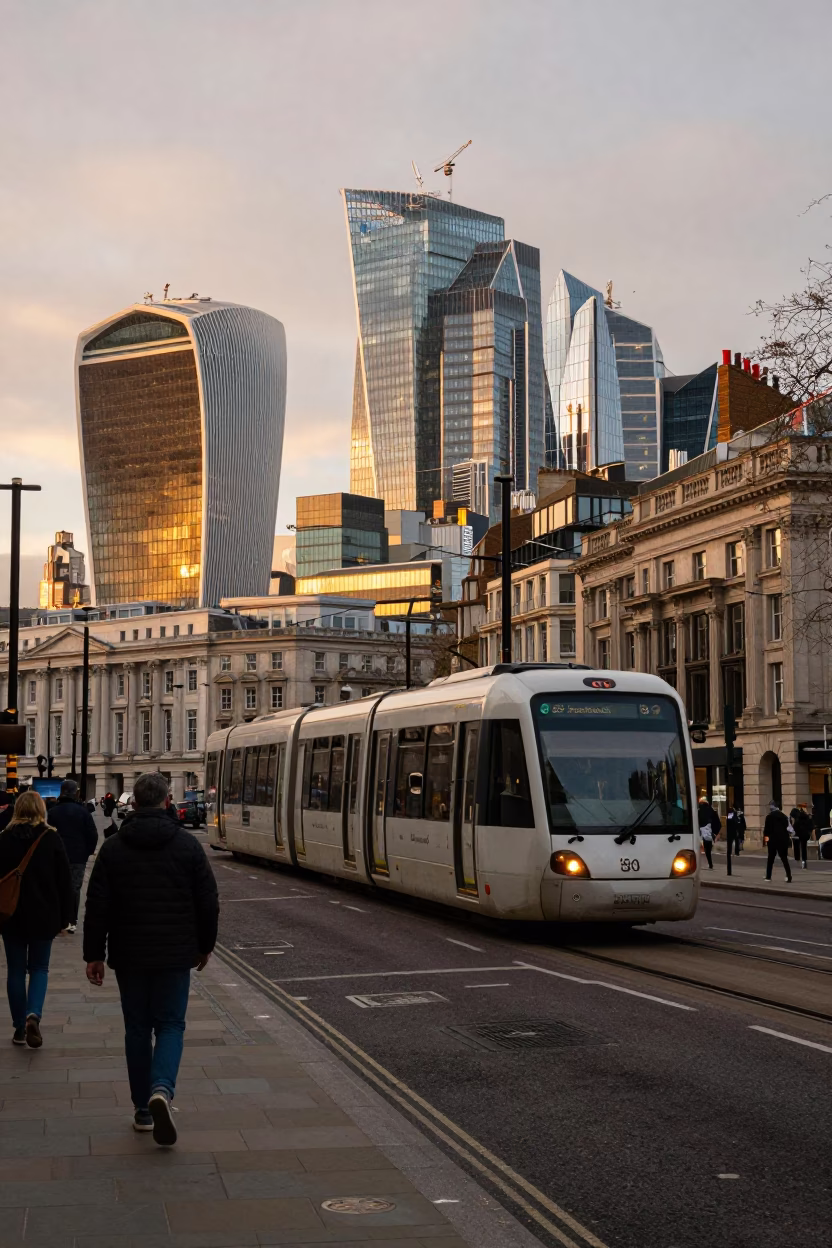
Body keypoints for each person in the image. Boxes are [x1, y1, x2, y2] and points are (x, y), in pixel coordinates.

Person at [83, 772, 219, 1145]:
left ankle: (143, 1109)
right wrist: (205, 945)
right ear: (166, 801)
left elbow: (97, 906)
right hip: (176, 953)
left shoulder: (113, 848)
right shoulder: (187, 846)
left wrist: (94, 954)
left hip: (130, 953)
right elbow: (208, 902)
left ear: (135, 803)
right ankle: (162, 1089)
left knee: (138, 1028)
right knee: (171, 1025)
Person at [0, 791, 74, 1047]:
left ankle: (20, 1028)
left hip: (10, 915)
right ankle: (34, 1013)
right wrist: (67, 918)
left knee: (16, 971)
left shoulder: (4, 838)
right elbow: (65, 882)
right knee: (40, 968)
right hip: (45, 915)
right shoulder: (50, 837)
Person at [47, 780, 98, 934]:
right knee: (75, 888)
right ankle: (71, 920)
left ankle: (58, 919)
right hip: (77, 856)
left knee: (57, 886)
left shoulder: (53, 811)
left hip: (57, 856)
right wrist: (86, 851)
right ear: (75, 792)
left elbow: (48, 834)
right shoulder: (82, 811)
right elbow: (93, 835)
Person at [764, 801, 792, 882]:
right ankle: (789, 876)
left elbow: (766, 831)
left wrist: (766, 841)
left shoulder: (769, 817)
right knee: (784, 859)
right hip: (783, 840)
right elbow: (789, 829)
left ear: (772, 806)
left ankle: (768, 876)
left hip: (772, 840)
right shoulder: (784, 816)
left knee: (770, 859)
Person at [698, 798, 721, 869]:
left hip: (700, 832)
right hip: (709, 833)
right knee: (708, 850)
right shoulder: (712, 811)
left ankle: (699, 864)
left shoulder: (698, 811)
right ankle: (710, 863)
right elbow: (718, 823)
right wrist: (715, 833)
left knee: (699, 849)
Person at [789, 805, 813, 869]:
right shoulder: (806, 817)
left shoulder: (797, 819)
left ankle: (797, 859)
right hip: (805, 835)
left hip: (798, 835)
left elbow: (795, 828)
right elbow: (811, 825)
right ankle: (804, 860)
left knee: (796, 846)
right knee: (803, 847)